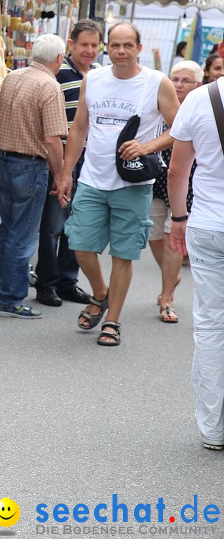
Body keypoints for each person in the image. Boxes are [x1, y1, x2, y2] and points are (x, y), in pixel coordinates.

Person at [57, 22, 180, 347]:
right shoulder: (93, 79)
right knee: (80, 245)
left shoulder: (156, 83)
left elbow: (180, 128)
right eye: (115, 45)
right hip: (93, 180)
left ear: (138, 48)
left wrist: (148, 146)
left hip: (134, 183)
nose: (121, 51)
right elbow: (80, 128)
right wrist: (66, 172)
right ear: (106, 47)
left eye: (128, 45)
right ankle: (100, 293)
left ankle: (112, 320)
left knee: (123, 255)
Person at [0, 34, 67, 319]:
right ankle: (10, 299)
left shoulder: (13, 76)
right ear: (59, 58)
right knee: (22, 236)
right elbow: (52, 139)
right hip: (30, 165)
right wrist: (59, 175)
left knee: (8, 230)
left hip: (5, 158)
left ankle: (0, 294)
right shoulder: (50, 86)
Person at [167, 71, 224, 451]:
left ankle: (213, 429)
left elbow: (177, 170)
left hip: (208, 224)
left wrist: (177, 218)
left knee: (211, 325)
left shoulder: (200, 99)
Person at [34, 21, 101, 307]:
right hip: (61, 158)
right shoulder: (57, 74)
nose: (89, 50)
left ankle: (67, 281)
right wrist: (58, 167)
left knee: (78, 224)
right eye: (84, 44)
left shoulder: (101, 75)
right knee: (52, 225)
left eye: (94, 45)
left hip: (91, 161)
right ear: (70, 44)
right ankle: (46, 283)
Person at [149, 60, 201, 323]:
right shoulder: (162, 103)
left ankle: (167, 297)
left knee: (173, 237)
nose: (179, 85)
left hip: (188, 180)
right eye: (176, 79)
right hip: (157, 177)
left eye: (185, 80)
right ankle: (172, 276)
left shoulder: (202, 107)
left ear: (197, 85)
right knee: (152, 235)